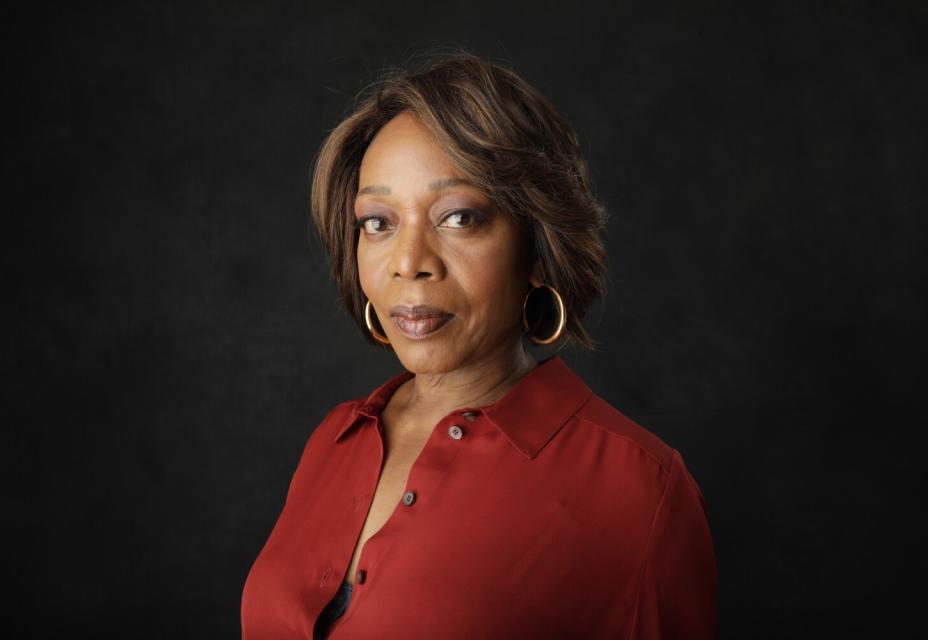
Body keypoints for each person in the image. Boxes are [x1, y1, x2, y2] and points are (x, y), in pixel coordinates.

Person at [241, 50, 717, 639]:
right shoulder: (333, 439)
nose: (409, 263)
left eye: (459, 218)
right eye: (378, 222)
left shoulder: (640, 489)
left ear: (537, 247)